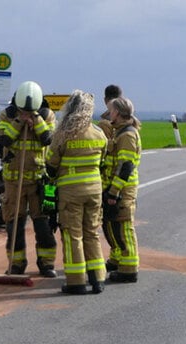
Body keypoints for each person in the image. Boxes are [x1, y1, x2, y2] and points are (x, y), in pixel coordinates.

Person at [46, 90, 108, 295]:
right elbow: (102, 161)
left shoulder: (64, 134)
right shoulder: (99, 134)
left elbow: (51, 164)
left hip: (71, 192)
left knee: (73, 235)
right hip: (95, 191)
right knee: (91, 233)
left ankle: (76, 281)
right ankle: (98, 279)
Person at [0, 80, 57, 277]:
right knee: (14, 226)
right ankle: (16, 264)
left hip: (40, 180)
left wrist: (36, 121)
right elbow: (5, 139)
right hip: (14, 182)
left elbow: (47, 139)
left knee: (43, 225)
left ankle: (46, 263)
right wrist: (19, 121)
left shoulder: (47, 115)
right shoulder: (7, 114)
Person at [102, 96, 141, 283]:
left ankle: (129, 269)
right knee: (113, 225)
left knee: (124, 228)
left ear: (117, 112)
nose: (109, 113)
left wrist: (113, 192)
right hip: (116, 187)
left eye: (111, 110)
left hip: (123, 190)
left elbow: (125, 166)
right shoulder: (120, 132)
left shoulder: (127, 135)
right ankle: (117, 260)